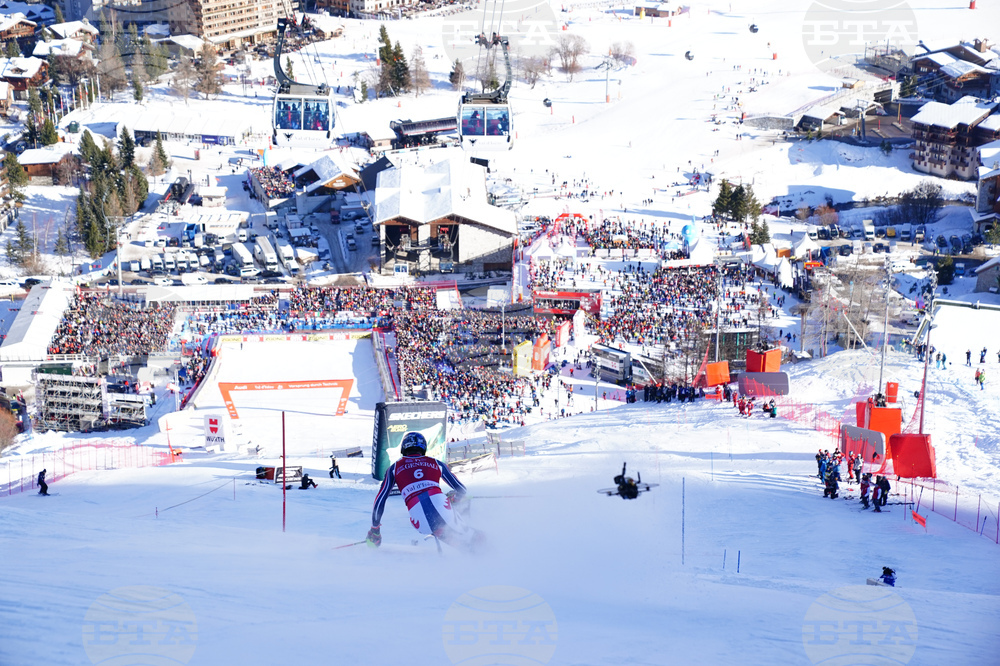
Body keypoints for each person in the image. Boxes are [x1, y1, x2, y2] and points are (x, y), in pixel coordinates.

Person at [367, 432, 479, 550]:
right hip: (442, 508)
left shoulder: (394, 468)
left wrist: (375, 529)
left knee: (462, 542)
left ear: (404, 448)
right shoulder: (436, 463)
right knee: (472, 538)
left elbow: (380, 500)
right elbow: (461, 490)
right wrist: (454, 499)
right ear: (424, 447)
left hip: (419, 520)